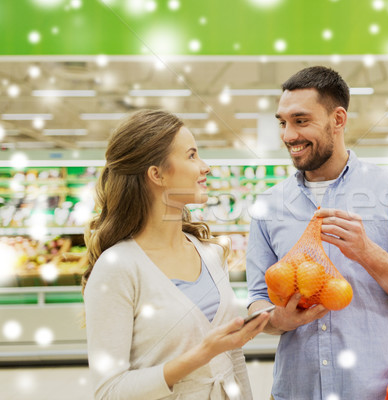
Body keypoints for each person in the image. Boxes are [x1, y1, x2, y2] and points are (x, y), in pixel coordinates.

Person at [246, 66, 388, 399]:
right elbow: (256, 303)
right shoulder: (269, 204)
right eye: (283, 122)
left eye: (301, 120)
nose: (288, 135)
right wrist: (279, 319)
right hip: (297, 391)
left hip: (374, 391)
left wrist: (367, 252)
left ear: (338, 119)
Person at [82, 109, 269, 400]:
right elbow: (109, 391)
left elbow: (232, 358)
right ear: (157, 174)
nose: (204, 167)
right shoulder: (118, 268)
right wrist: (202, 354)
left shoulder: (209, 253)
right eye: (192, 155)